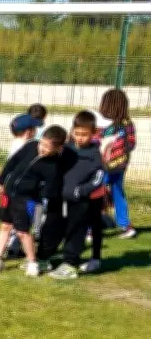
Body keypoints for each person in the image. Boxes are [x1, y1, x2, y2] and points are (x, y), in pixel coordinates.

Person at [0, 126, 75, 277]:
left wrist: (41, 198)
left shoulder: (53, 166)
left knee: (22, 231)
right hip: (9, 193)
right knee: (5, 225)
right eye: (41, 143)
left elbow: (50, 189)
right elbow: (13, 162)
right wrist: (1, 180)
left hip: (27, 199)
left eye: (47, 147)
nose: (42, 148)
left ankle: (32, 262)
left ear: (58, 148)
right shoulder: (30, 146)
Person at [44, 111, 106, 280]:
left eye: (84, 134)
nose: (80, 138)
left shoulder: (94, 155)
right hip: (61, 199)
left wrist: (81, 191)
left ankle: (70, 264)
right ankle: (45, 258)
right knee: (54, 228)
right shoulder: (66, 150)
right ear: (72, 131)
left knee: (76, 230)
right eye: (77, 133)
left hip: (81, 201)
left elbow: (98, 178)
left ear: (93, 134)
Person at [0, 113, 43, 270]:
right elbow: (13, 165)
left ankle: (5, 255)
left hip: (12, 191)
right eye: (34, 128)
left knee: (8, 226)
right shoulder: (30, 146)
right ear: (29, 131)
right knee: (20, 228)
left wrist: (1, 181)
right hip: (20, 194)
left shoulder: (17, 144)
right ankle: (28, 260)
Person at [98, 89, 137, 239]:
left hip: (103, 165)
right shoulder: (128, 123)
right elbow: (132, 143)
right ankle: (126, 226)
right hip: (120, 166)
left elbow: (96, 141)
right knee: (118, 193)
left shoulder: (102, 123)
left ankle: (89, 228)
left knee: (95, 194)